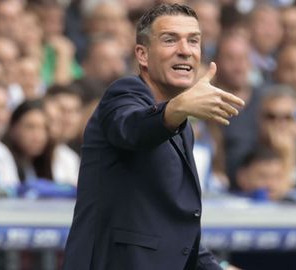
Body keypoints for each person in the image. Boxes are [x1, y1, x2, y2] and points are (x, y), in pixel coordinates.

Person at [63, 4, 244, 270]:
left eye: (193, 40)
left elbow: (175, 233)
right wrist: (178, 108)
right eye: (170, 39)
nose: (185, 50)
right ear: (143, 55)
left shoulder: (182, 127)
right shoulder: (123, 93)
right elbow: (131, 129)